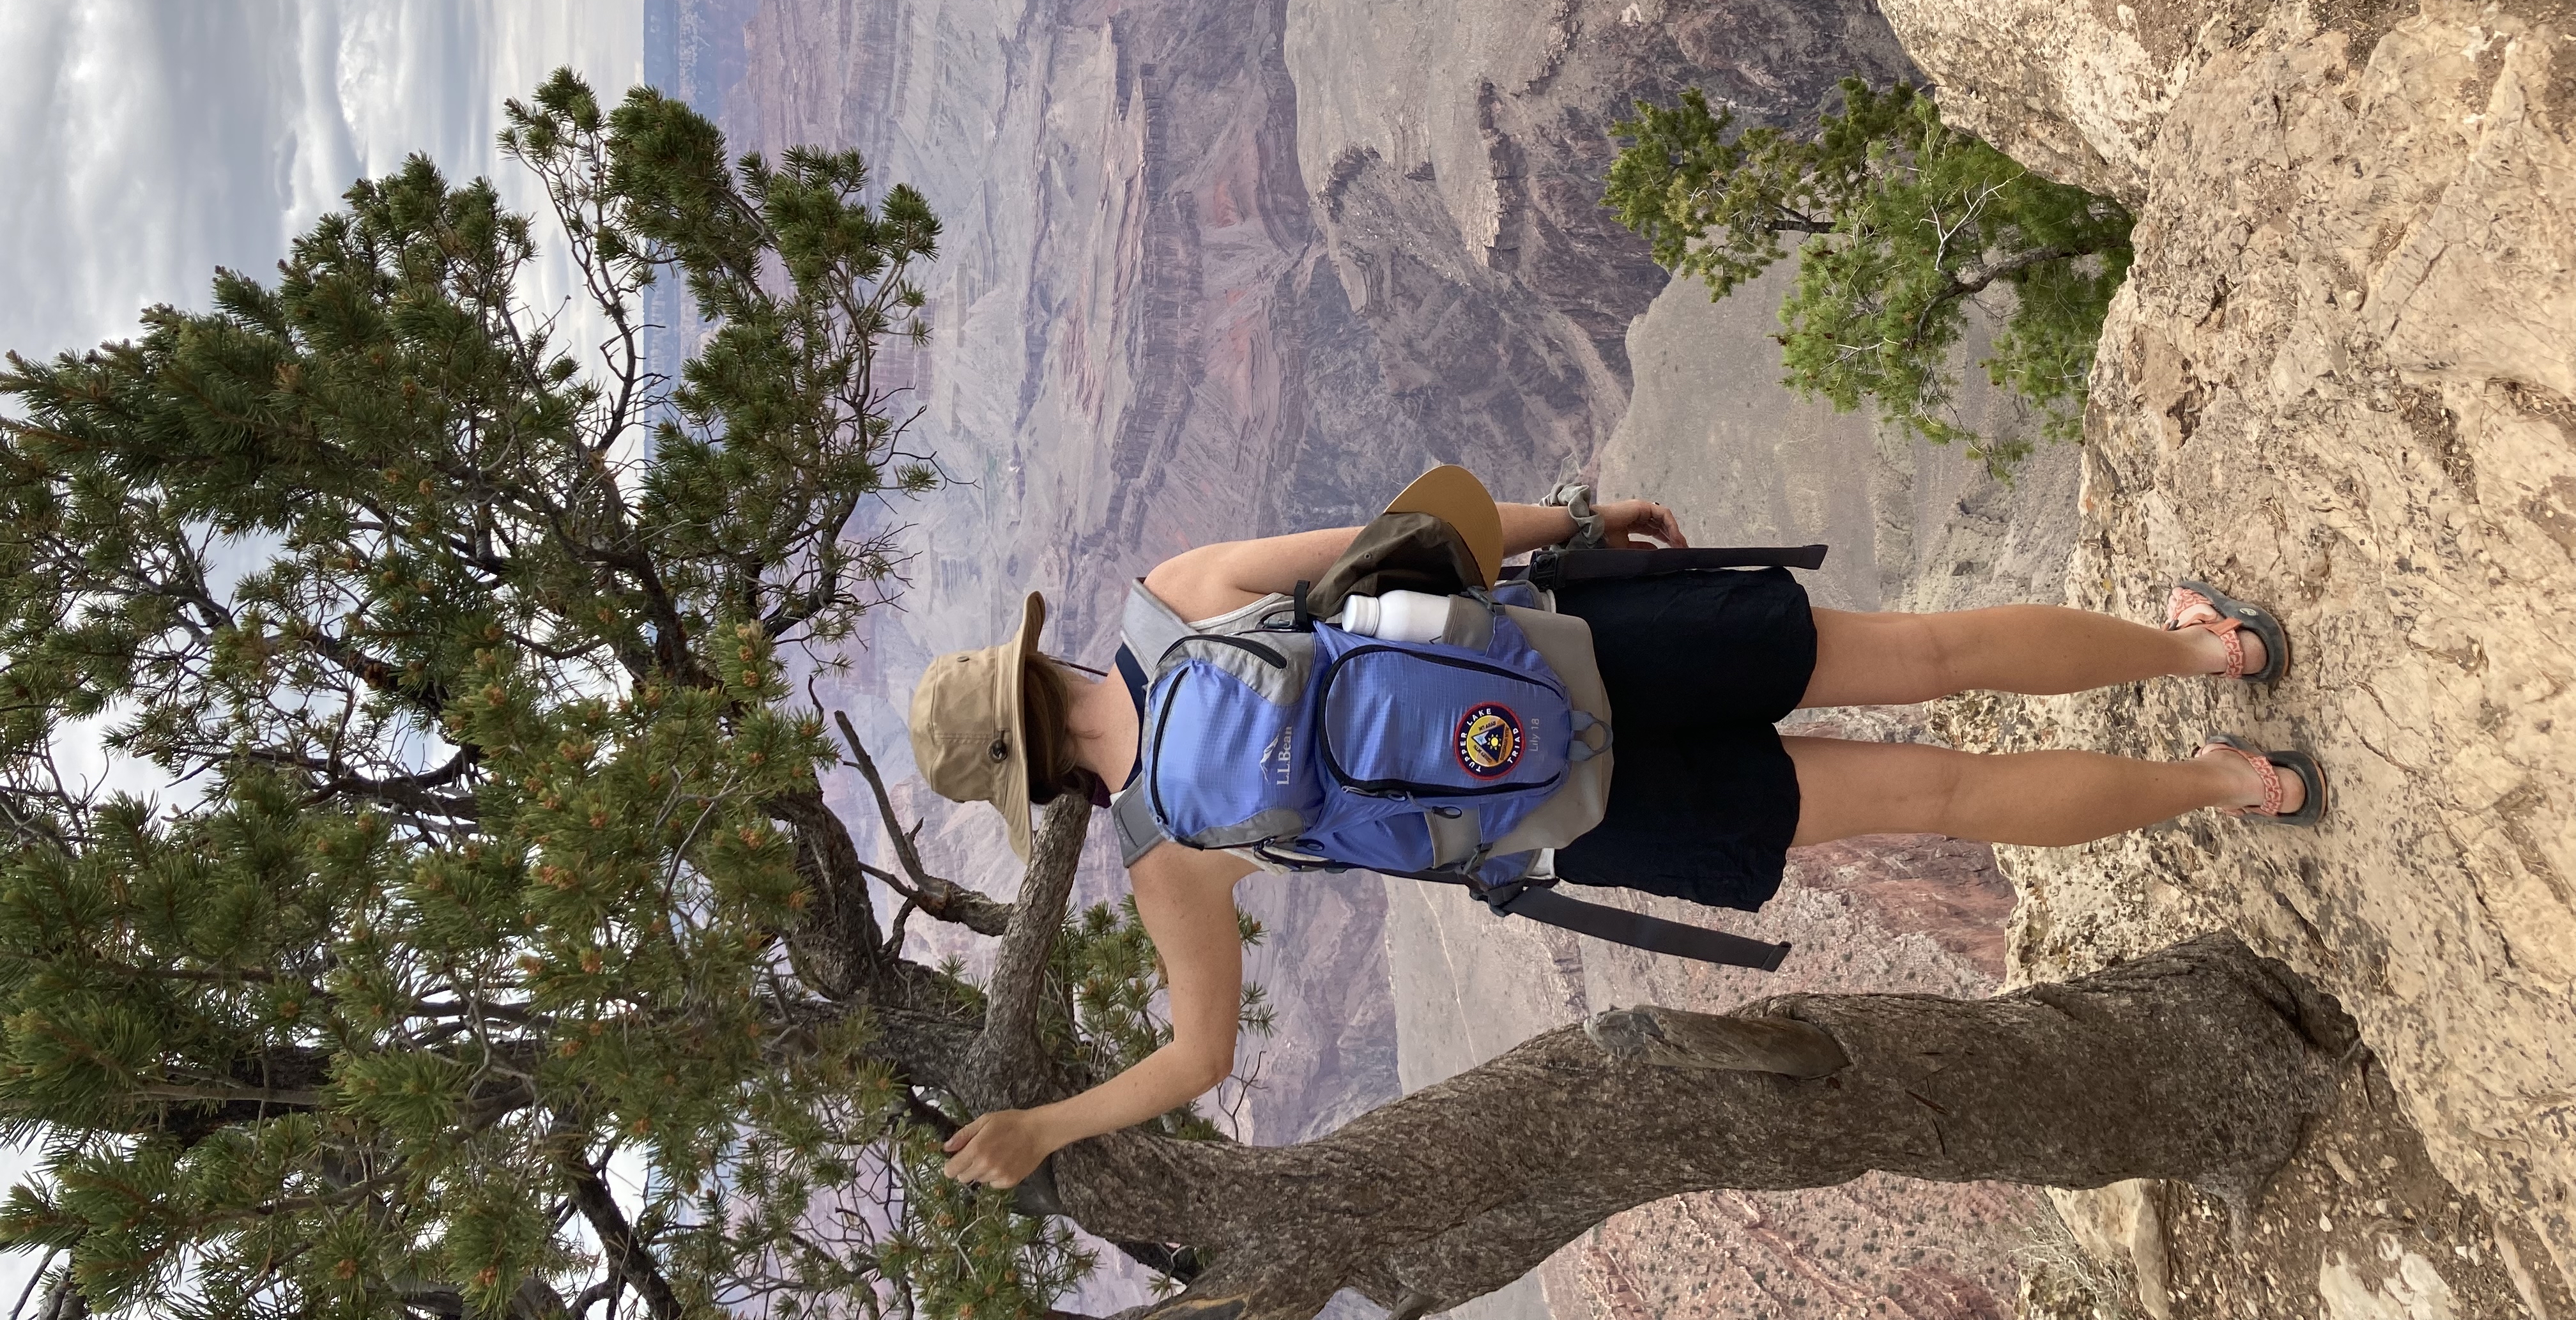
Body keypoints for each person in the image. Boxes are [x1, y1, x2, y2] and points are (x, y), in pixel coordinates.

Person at [908, 482, 2324, 1189]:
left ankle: (2230, 789)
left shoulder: (1169, 857)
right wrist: (1583, 513)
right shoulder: (1179, 594)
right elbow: (1422, 532)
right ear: (1035, 667)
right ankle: (2205, 655)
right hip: (1593, 647)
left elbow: (1197, 1058)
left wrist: (1045, 1127)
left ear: (1030, 782)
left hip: (1576, 818)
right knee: (1932, 651)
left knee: (1936, 800)